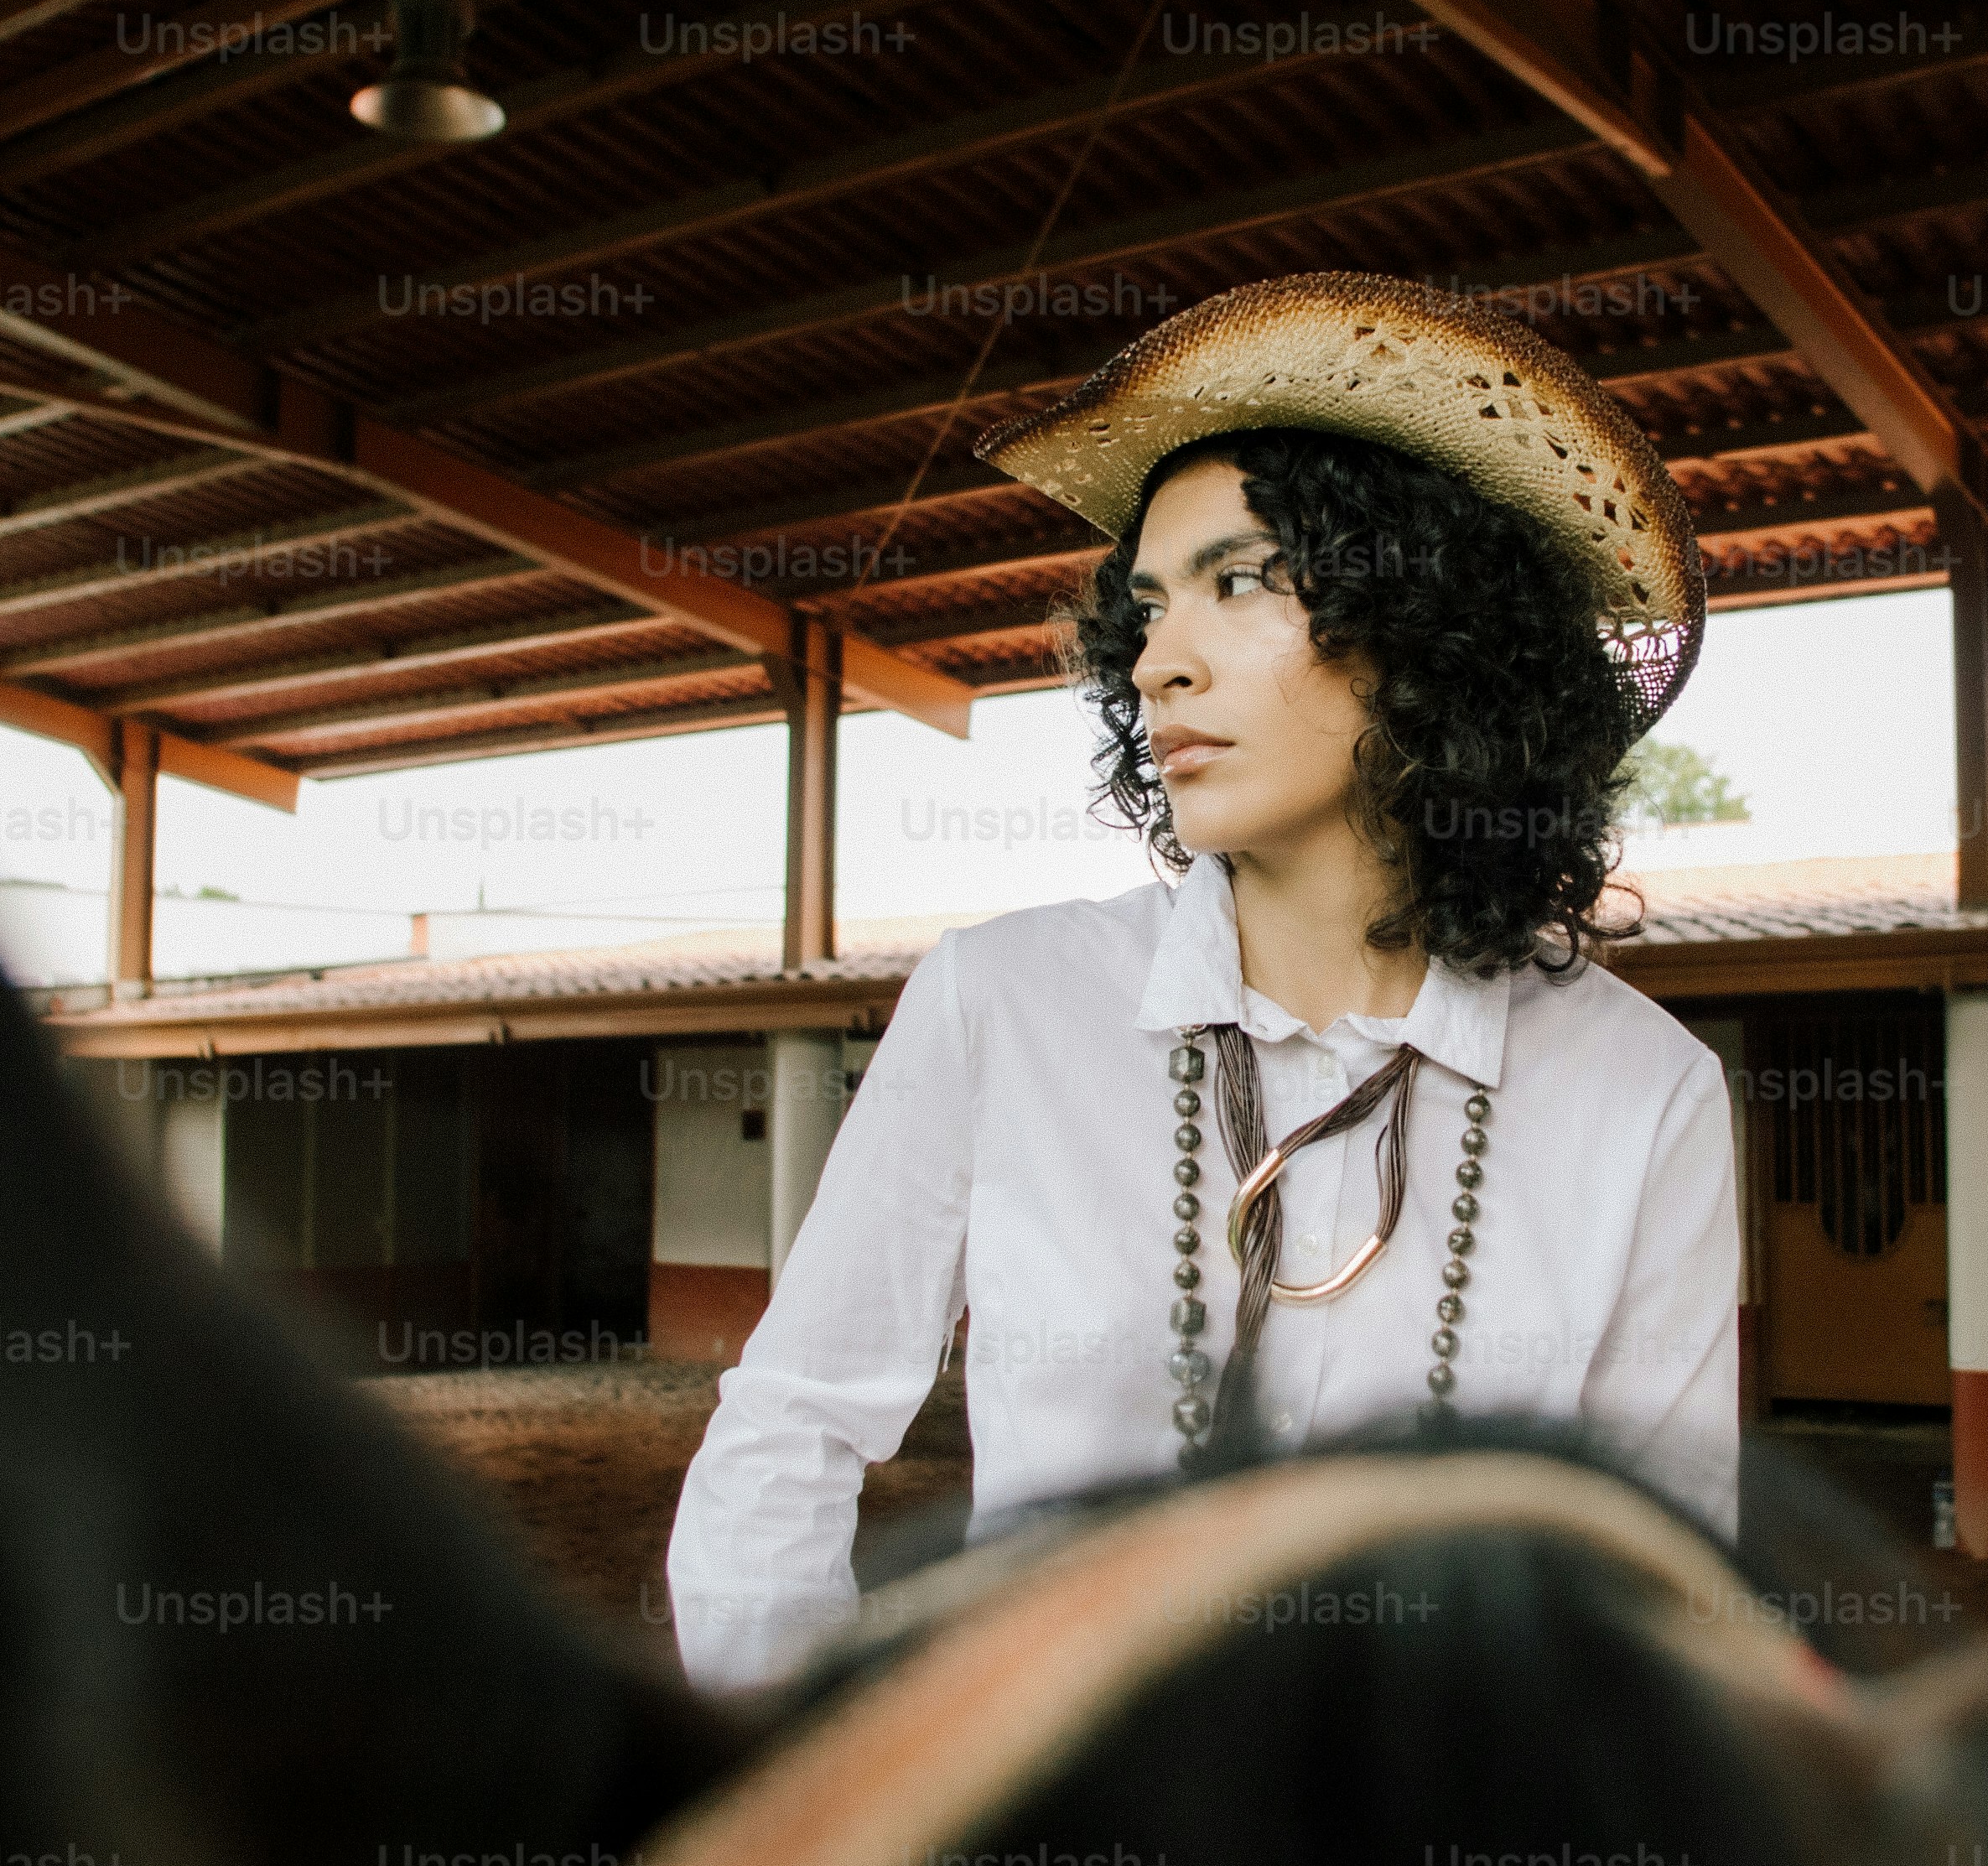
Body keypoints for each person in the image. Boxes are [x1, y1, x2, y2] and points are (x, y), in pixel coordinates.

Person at [660, 272, 1742, 1687]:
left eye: (1240, 582)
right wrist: (814, 1804)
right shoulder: (1008, 1000)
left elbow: (1661, 1581)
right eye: (1148, 608)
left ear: (1429, 629)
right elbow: (789, 1429)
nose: (1159, 664)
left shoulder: (1643, 1089)